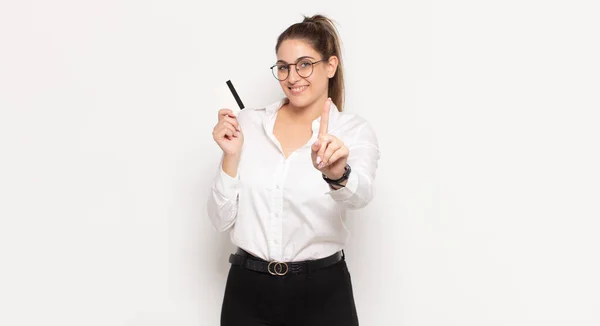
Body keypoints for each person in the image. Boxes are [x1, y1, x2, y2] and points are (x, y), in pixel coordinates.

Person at [207, 14, 380, 326]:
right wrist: (230, 157)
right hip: (248, 291)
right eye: (283, 66)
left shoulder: (352, 131)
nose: (292, 76)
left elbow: (361, 195)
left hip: (323, 292)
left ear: (330, 65)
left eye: (304, 64)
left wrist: (338, 173)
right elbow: (220, 220)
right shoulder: (249, 124)